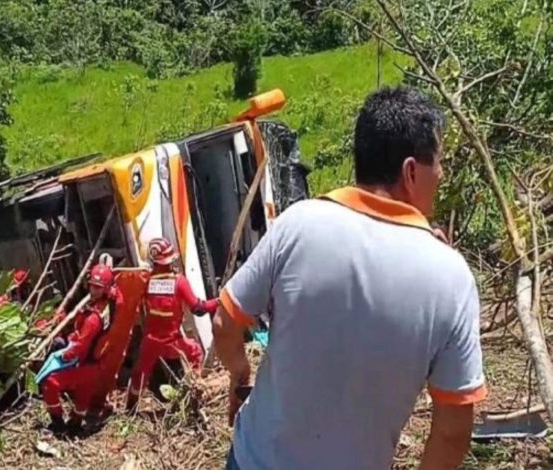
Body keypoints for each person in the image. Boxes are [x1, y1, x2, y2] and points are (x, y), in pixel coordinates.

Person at [214, 86, 486, 470]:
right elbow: (452, 430)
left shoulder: (298, 225)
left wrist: (241, 377)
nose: (440, 175)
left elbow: (225, 322)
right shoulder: (451, 278)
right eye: (438, 163)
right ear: (411, 171)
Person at [125, 237, 218, 410]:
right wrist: (218, 302)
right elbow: (198, 308)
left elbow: (134, 304)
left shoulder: (145, 281)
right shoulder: (179, 282)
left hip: (151, 340)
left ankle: (130, 407)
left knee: (140, 373)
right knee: (195, 353)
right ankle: (196, 395)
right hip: (171, 341)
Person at [40, 263, 121, 432]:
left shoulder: (93, 319)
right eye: (92, 285)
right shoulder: (110, 305)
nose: (93, 290)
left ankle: (58, 423)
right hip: (96, 363)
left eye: (98, 288)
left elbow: (80, 346)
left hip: (85, 362)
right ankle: (76, 423)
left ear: (105, 289)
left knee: (50, 382)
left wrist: (64, 355)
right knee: (84, 392)